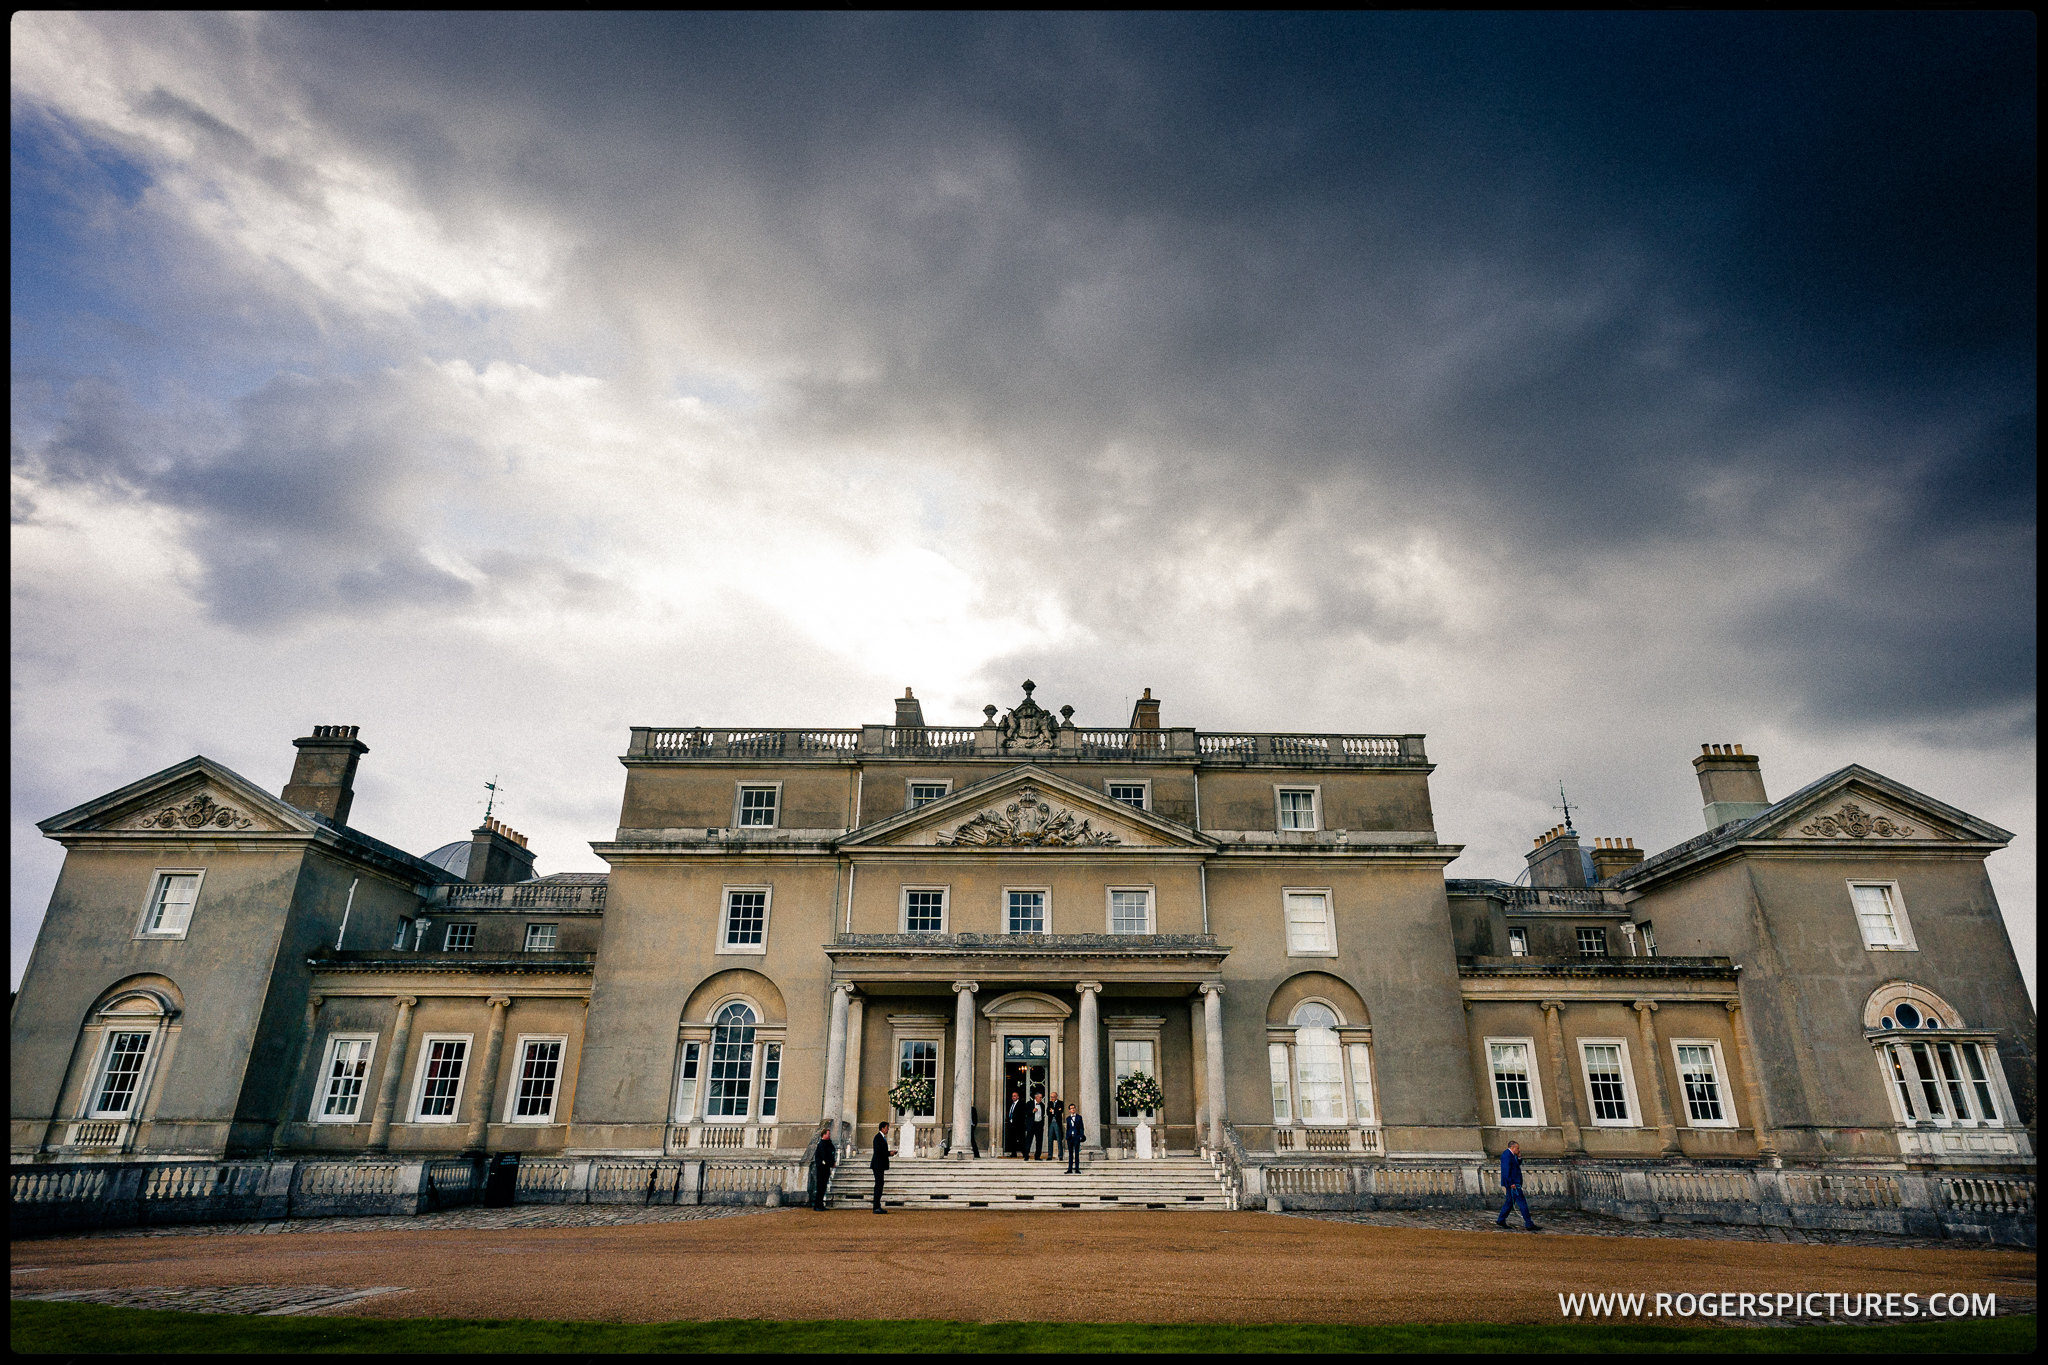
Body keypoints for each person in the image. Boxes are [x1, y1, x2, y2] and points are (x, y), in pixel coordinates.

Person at [1495, 1139, 1540, 1231]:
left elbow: (1516, 1165)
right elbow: (1506, 1170)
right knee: (1522, 1203)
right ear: (1513, 1147)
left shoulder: (1511, 1155)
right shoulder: (1506, 1155)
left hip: (1514, 1182)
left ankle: (1501, 1219)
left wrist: (1519, 1157)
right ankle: (1529, 1223)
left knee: (1509, 1202)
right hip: (1513, 1183)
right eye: (1517, 1148)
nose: (1519, 1150)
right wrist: (1511, 1183)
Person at [811, 1124, 836, 1211]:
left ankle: (820, 1204)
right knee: (820, 1187)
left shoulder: (828, 1143)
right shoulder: (821, 1144)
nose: (829, 1135)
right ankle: (817, 1205)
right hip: (822, 1168)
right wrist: (830, 1163)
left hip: (826, 1168)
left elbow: (832, 1151)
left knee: (823, 1187)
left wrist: (833, 1162)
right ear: (824, 1134)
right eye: (828, 1134)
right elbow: (824, 1156)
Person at [871, 1120, 892, 1213]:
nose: (888, 1130)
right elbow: (879, 1151)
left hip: (880, 1164)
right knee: (878, 1185)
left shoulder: (881, 1137)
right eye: (887, 1128)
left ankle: (877, 1205)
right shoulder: (878, 1137)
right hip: (878, 1164)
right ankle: (876, 1206)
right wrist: (889, 1153)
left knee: (880, 1184)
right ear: (882, 1128)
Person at [1063, 1105, 1086, 1173]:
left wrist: (1080, 1136)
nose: (1072, 1109)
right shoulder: (1068, 1118)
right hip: (1070, 1137)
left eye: (1073, 1108)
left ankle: (1077, 1169)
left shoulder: (1079, 1117)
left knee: (1076, 1153)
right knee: (1070, 1154)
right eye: (1071, 1108)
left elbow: (1081, 1128)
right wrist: (1067, 1137)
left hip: (1076, 1137)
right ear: (1069, 1110)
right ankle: (1069, 1169)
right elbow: (1068, 1128)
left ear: (1075, 1109)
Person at [1005, 1089, 1026, 1157]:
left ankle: (1024, 1153)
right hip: (1011, 1125)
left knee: (1021, 1140)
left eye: (1014, 1096)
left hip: (1019, 1125)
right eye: (1012, 1096)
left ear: (1018, 1097)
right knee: (1012, 1139)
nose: (1013, 1097)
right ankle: (1013, 1153)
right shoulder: (1011, 1104)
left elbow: (1022, 1115)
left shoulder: (1021, 1104)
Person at [1028, 1091, 1047, 1160]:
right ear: (1036, 1097)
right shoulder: (1029, 1103)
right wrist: (1032, 1111)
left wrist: (1042, 1125)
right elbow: (1026, 1113)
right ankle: (1026, 1155)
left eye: (1041, 1097)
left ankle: (1037, 1156)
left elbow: (1043, 1115)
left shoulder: (1042, 1105)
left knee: (1039, 1141)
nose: (1041, 1099)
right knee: (1029, 1140)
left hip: (1039, 1125)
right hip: (1032, 1125)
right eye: (1040, 1097)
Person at [1047, 1093, 1065, 1163]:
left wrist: (1053, 1111)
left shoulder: (1061, 1103)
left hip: (1057, 1123)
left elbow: (1060, 1111)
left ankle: (1060, 1156)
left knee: (1059, 1139)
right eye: (1051, 1097)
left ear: (1056, 1097)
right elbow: (1048, 1112)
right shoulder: (1049, 1103)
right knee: (1050, 1139)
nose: (1052, 1098)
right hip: (1051, 1123)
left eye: (1053, 1097)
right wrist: (1055, 1110)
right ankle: (1049, 1155)